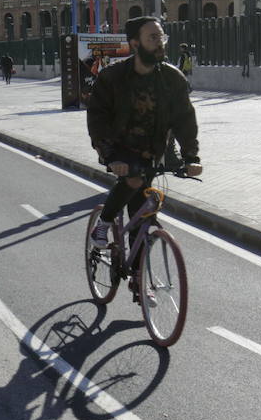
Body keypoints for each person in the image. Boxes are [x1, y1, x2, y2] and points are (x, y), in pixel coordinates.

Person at [85, 15, 202, 250]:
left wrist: (191, 157)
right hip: (119, 149)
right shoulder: (113, 78)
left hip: (154, 150)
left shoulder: (172, 78)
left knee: (143, 219)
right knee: (133, 180)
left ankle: (138, 283)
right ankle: (104, 222)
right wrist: (110, 154)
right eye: (152, 37)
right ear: (135, 44)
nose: (160, 43)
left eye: (162, 37)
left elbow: (185, 119)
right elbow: (98, 118)